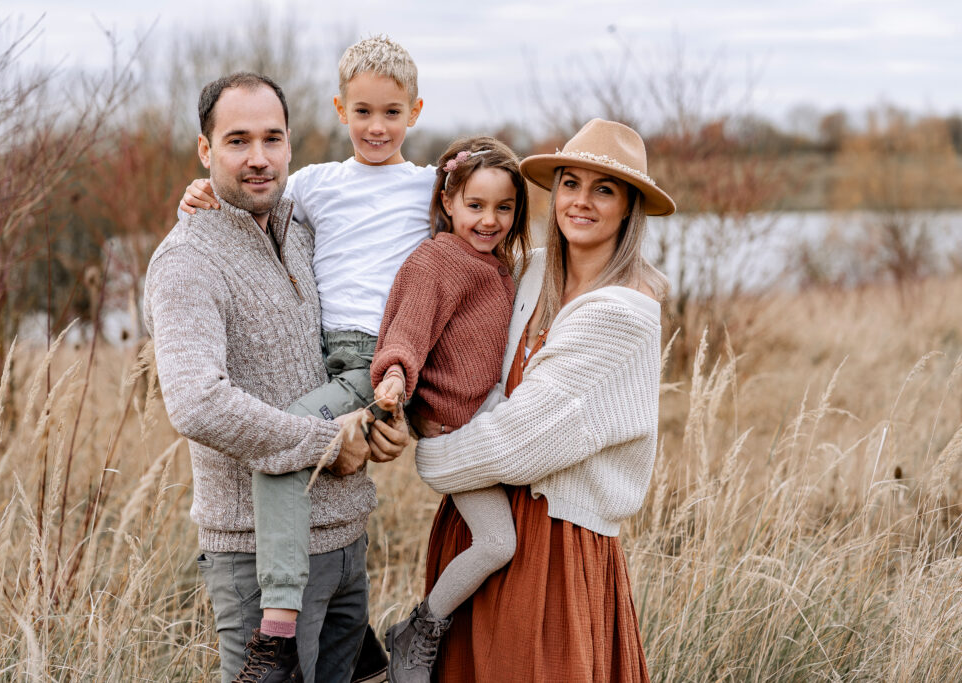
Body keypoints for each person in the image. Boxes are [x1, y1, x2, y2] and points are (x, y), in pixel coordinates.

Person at [177, 37, 434, 682]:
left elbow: (481, 226)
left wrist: (385, 422)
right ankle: (278, 629)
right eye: (237, 141)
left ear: (290, 142)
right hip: (257, 562)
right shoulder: (190, 258)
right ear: (205, 150)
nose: (258, 158)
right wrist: (325, 442)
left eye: (272, 139)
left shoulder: (299, 221)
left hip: (344, 541)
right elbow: (196, 403)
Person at [411, 118, 676, 682]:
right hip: (478, 526)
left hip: (552, 545)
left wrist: (432, 455)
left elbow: (522, 442)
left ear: (629, 208)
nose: (581, 201)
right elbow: (440, 302)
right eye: (570, 184)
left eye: (604, 190)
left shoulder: (621, 313)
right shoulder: (526, 271)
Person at [368, 137, 531, 682]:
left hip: (483, 424)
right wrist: (395, 377)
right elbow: (408, 330)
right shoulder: (438, 260)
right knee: (498, 542)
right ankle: (421, 627)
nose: (489, 220)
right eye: (475, 205)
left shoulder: (499, 264)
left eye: (504, 207)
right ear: (448, 201)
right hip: (450, 435)